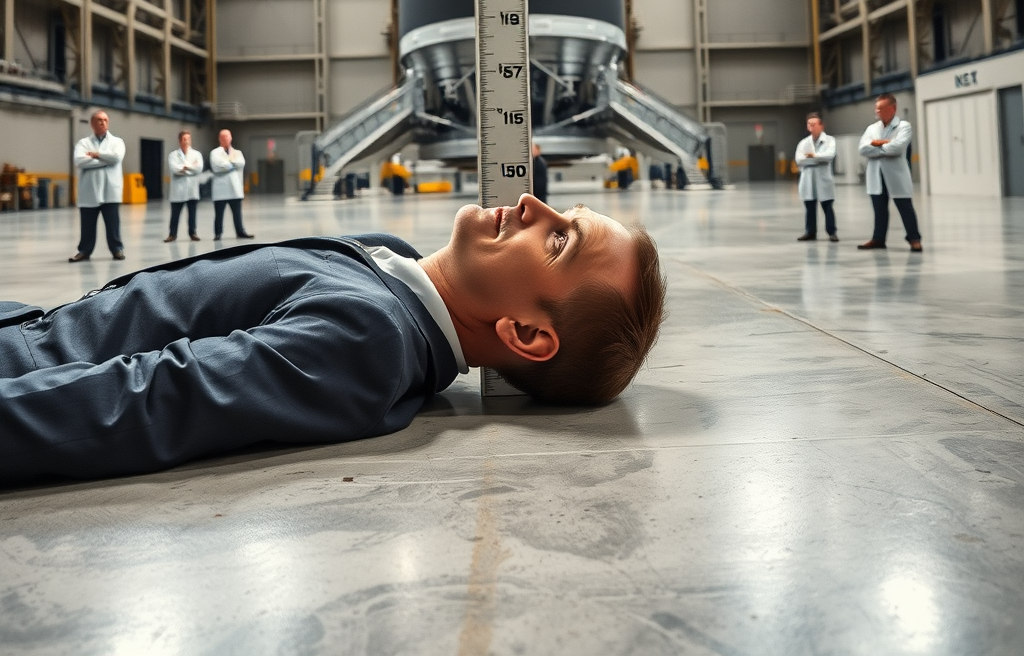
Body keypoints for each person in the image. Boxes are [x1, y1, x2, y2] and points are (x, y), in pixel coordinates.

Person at [0, 196, 666, 484]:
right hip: (32, 326)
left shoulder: (371, 339)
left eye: (557, 239)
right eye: (563, 210)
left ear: (525, 333)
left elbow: (157, 396)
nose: (531, 204)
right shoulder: (390, 264)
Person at [857, 93, 922, 252]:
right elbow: (863, 149)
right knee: (879, 210)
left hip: (896, 175)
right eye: (876, 108)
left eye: (880, 108)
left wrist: (876, 147)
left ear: (892, 109)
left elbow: (898, 148)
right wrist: (884, 145)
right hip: (876, 175)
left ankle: (914, 239)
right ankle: (878, 239)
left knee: (905, 207)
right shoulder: (872, 129)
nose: (877, 111)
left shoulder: (903, 126)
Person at [69, 111, 126, 262]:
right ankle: (84, 251)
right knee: (87, 225)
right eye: (99, 120)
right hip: (89, 191)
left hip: (110, 191)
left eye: (105, 120)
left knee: (113, 224)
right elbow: (79, 161)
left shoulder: (117, 142)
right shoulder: (83, 143)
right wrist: (105, 159)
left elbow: (117, 158)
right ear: (92, 124)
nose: (103, 123)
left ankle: (117, 249)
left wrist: (95, 155)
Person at [795, 112, 838, 242]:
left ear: (821, 125)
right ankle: (810, 232)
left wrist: (813, 156)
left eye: (814, 124)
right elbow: (799, 160)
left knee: (827, 206)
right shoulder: (803, 143)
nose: (811, 127)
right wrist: (819, 158)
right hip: (808, 180)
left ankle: (832, 232)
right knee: (810, 207)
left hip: (823, 179)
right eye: (809, 124)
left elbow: (829, 156)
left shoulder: (830, 141)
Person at [209, 129, 253, 241]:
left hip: (235, 189)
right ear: (220, 139)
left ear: (231, 138)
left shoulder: (237, 153)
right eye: (223, 137)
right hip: (221, 189)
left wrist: (227, 164)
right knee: (219, 214)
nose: (226, 139)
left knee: (237, 214)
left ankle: (240, 232)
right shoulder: (214, 153)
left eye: (227, 137)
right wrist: (232, 164)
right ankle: (218, 233)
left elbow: (241, 164)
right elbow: (217, 167)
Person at [166, 131, 204, 242]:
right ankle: (172, 234)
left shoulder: (196, 154)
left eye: (188, 139)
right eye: (184, 139)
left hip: (192, 189)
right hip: (178, 190)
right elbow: (175, 170)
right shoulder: (173, 155)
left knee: (192, 213)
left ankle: (193, 233)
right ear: (179, 141)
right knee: (175, 214)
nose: (186, 141)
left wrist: (184, 168)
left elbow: (199, 169)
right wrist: (191, 167)